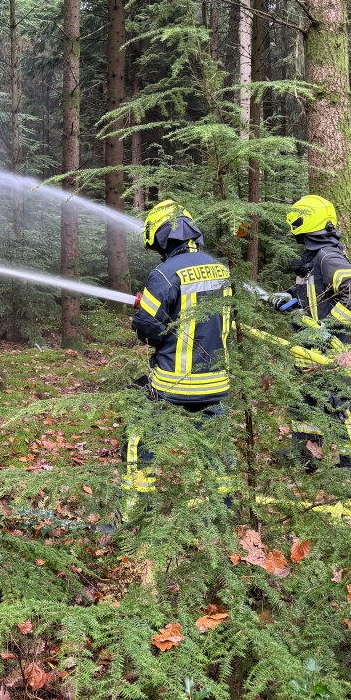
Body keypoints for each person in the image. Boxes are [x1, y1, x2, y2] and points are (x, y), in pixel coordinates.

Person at [122, 202, 233, 510]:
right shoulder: (220, 269)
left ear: (161, 236)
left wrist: (144, 317)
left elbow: (148, 329)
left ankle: (134, 509)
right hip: (216, 383)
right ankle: (225, 509)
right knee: (217, 444)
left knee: (138, 436)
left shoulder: (164, 273)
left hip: (173, 383)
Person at [271, 194, 351, 470]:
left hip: (332, 352)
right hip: (311, 352)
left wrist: (327, 329)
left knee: (342, 406)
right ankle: (304, 457)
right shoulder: (313, 259)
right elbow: (313, 294)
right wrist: (288, 296)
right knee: (304, 402)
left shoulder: (328, 257)